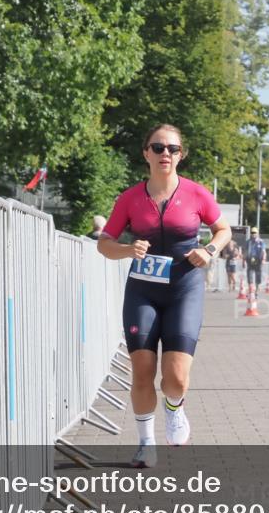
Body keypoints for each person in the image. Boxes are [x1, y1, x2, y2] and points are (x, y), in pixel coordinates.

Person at [97, 124, 231, 468]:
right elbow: (104, 244)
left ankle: (174, 408)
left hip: (184, 288)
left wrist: (211, 250)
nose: (165, 154)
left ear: (181, 155)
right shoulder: (129, 198)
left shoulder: (197, 194)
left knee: (176, 378)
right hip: (142, 291)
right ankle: (146, 443)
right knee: (142, 370)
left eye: (172, 148)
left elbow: (223, 229)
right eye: (158, 148)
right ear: (146, 153)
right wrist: (127, 248)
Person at [245, 227, 266, 302]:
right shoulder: (248, 242)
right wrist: (243, 261)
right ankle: (251, 292)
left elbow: (263, 251)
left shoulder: (261, 242)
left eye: (255, 233)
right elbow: (246, 252)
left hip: (258, 261)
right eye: (252, 232)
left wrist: (263, 259)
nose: (253, 234)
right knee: (250, 277)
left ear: (257, 233)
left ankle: (256, 292)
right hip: (250, 261)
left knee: (258, 278)